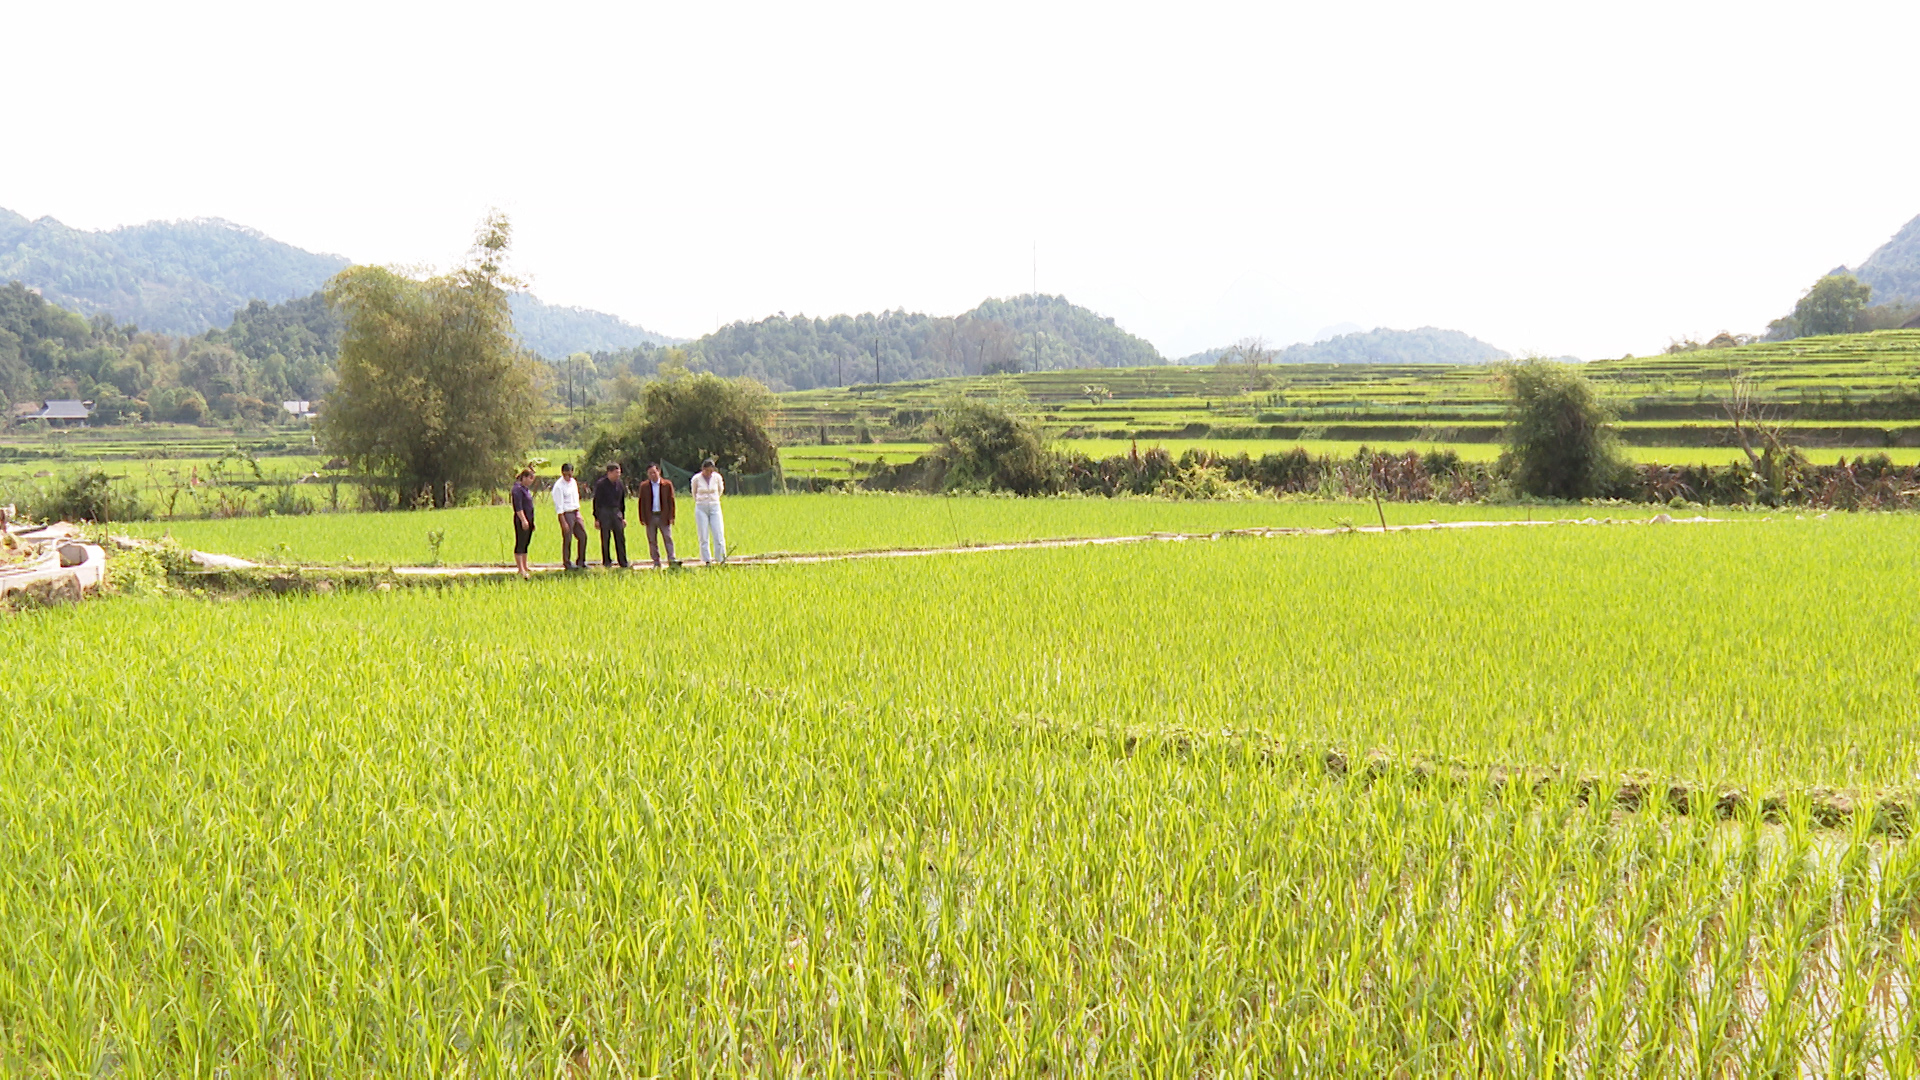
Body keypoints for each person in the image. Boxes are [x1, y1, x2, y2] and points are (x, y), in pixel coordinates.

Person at [639, 463, 678, 569]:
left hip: (663, 516)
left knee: (667, 537)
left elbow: (671, 501)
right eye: (650, 473)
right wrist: (642, 518)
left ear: (659, 472)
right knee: (652, 540)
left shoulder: (667, 485)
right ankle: (656, 562)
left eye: (654, 472)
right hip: (650, 516)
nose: (653, 475)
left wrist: (672, 516)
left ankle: (671, 559)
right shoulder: (644, 486)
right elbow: (641, 503)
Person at [592, 462, 630, 568]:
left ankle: (623, 561)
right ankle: (607, 561)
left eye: (619, 472)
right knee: (605, 537)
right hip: (604, 512)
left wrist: (623, 517)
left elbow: (622, 502)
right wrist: (597, 518)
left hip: (616, 512)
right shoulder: (601, 485)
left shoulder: (620, 484)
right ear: (609, 472)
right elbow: (596, 502)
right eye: (616, 472)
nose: (618, 475)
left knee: (620, 537)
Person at [551, 462, 588, 570]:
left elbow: (576, 498)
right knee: (568, 537)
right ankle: (567, 562)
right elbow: (559, 506)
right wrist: (563, 522)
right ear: (562, 473)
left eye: (570, 474)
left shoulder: (573, 482)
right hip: (566, 513)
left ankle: (581, 561)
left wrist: (579, 513)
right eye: (565, 474)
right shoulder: (559, 486)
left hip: (575, 511)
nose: (568, 476)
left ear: (572, 472)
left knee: (583, 536)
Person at [691, 457, 726, 565]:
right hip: (701, 507)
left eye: (711, 470)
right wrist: (702, 501)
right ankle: (707, 560)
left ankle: (721, 559)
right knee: (703, 534)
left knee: (718, 533)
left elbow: (720, 490)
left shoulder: (717, 478)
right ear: (703, 469)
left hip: (715, 506)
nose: (709, 473)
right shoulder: (696, 479)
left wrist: (713, 499)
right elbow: (694, 492)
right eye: (707, 471)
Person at [509, 466, 536, 579]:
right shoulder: (517, 489)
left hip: (529, 519)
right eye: (530, 478)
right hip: (521, 519)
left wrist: (531, 522)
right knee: (520, 543)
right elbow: (518, 507)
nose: (531, 481)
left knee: (526, 543)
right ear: (524, 477)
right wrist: (523, 520)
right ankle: (520, 569)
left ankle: (525, 565)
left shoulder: (525, 489)